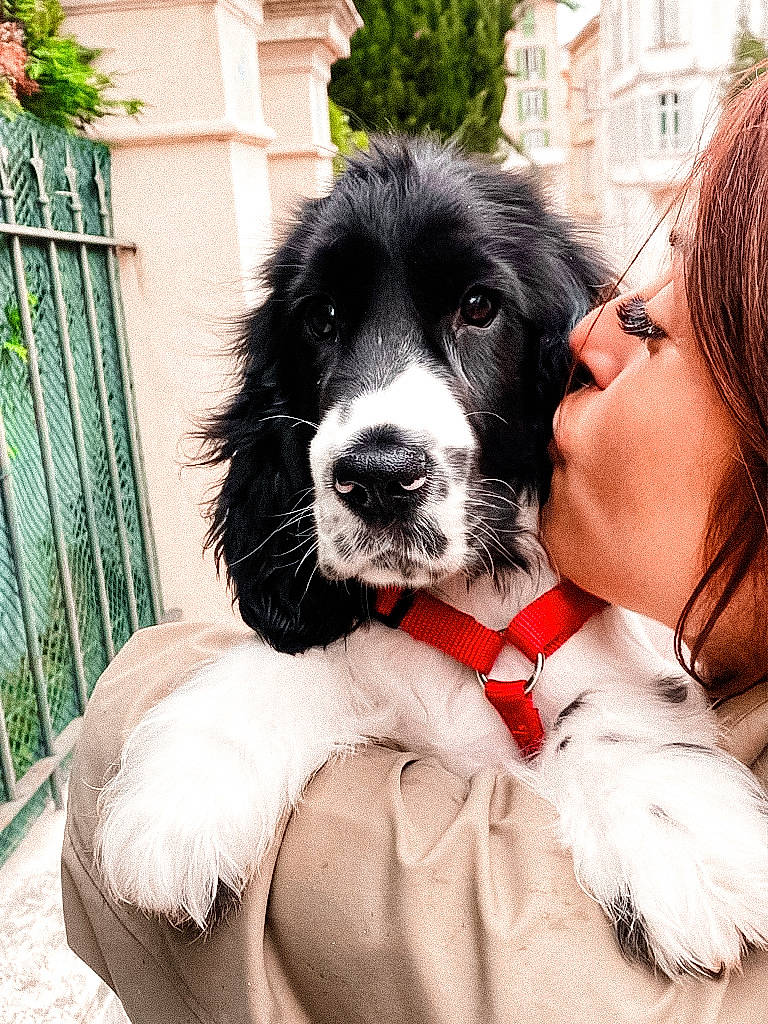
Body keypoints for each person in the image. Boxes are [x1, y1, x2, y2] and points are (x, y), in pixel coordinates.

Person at [62, 75, 767, 1024]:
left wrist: (616, 765)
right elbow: (321, 666)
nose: (611, 333)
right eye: (325, 322)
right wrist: (235, 724)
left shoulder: (615, 635)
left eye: (478, 310)